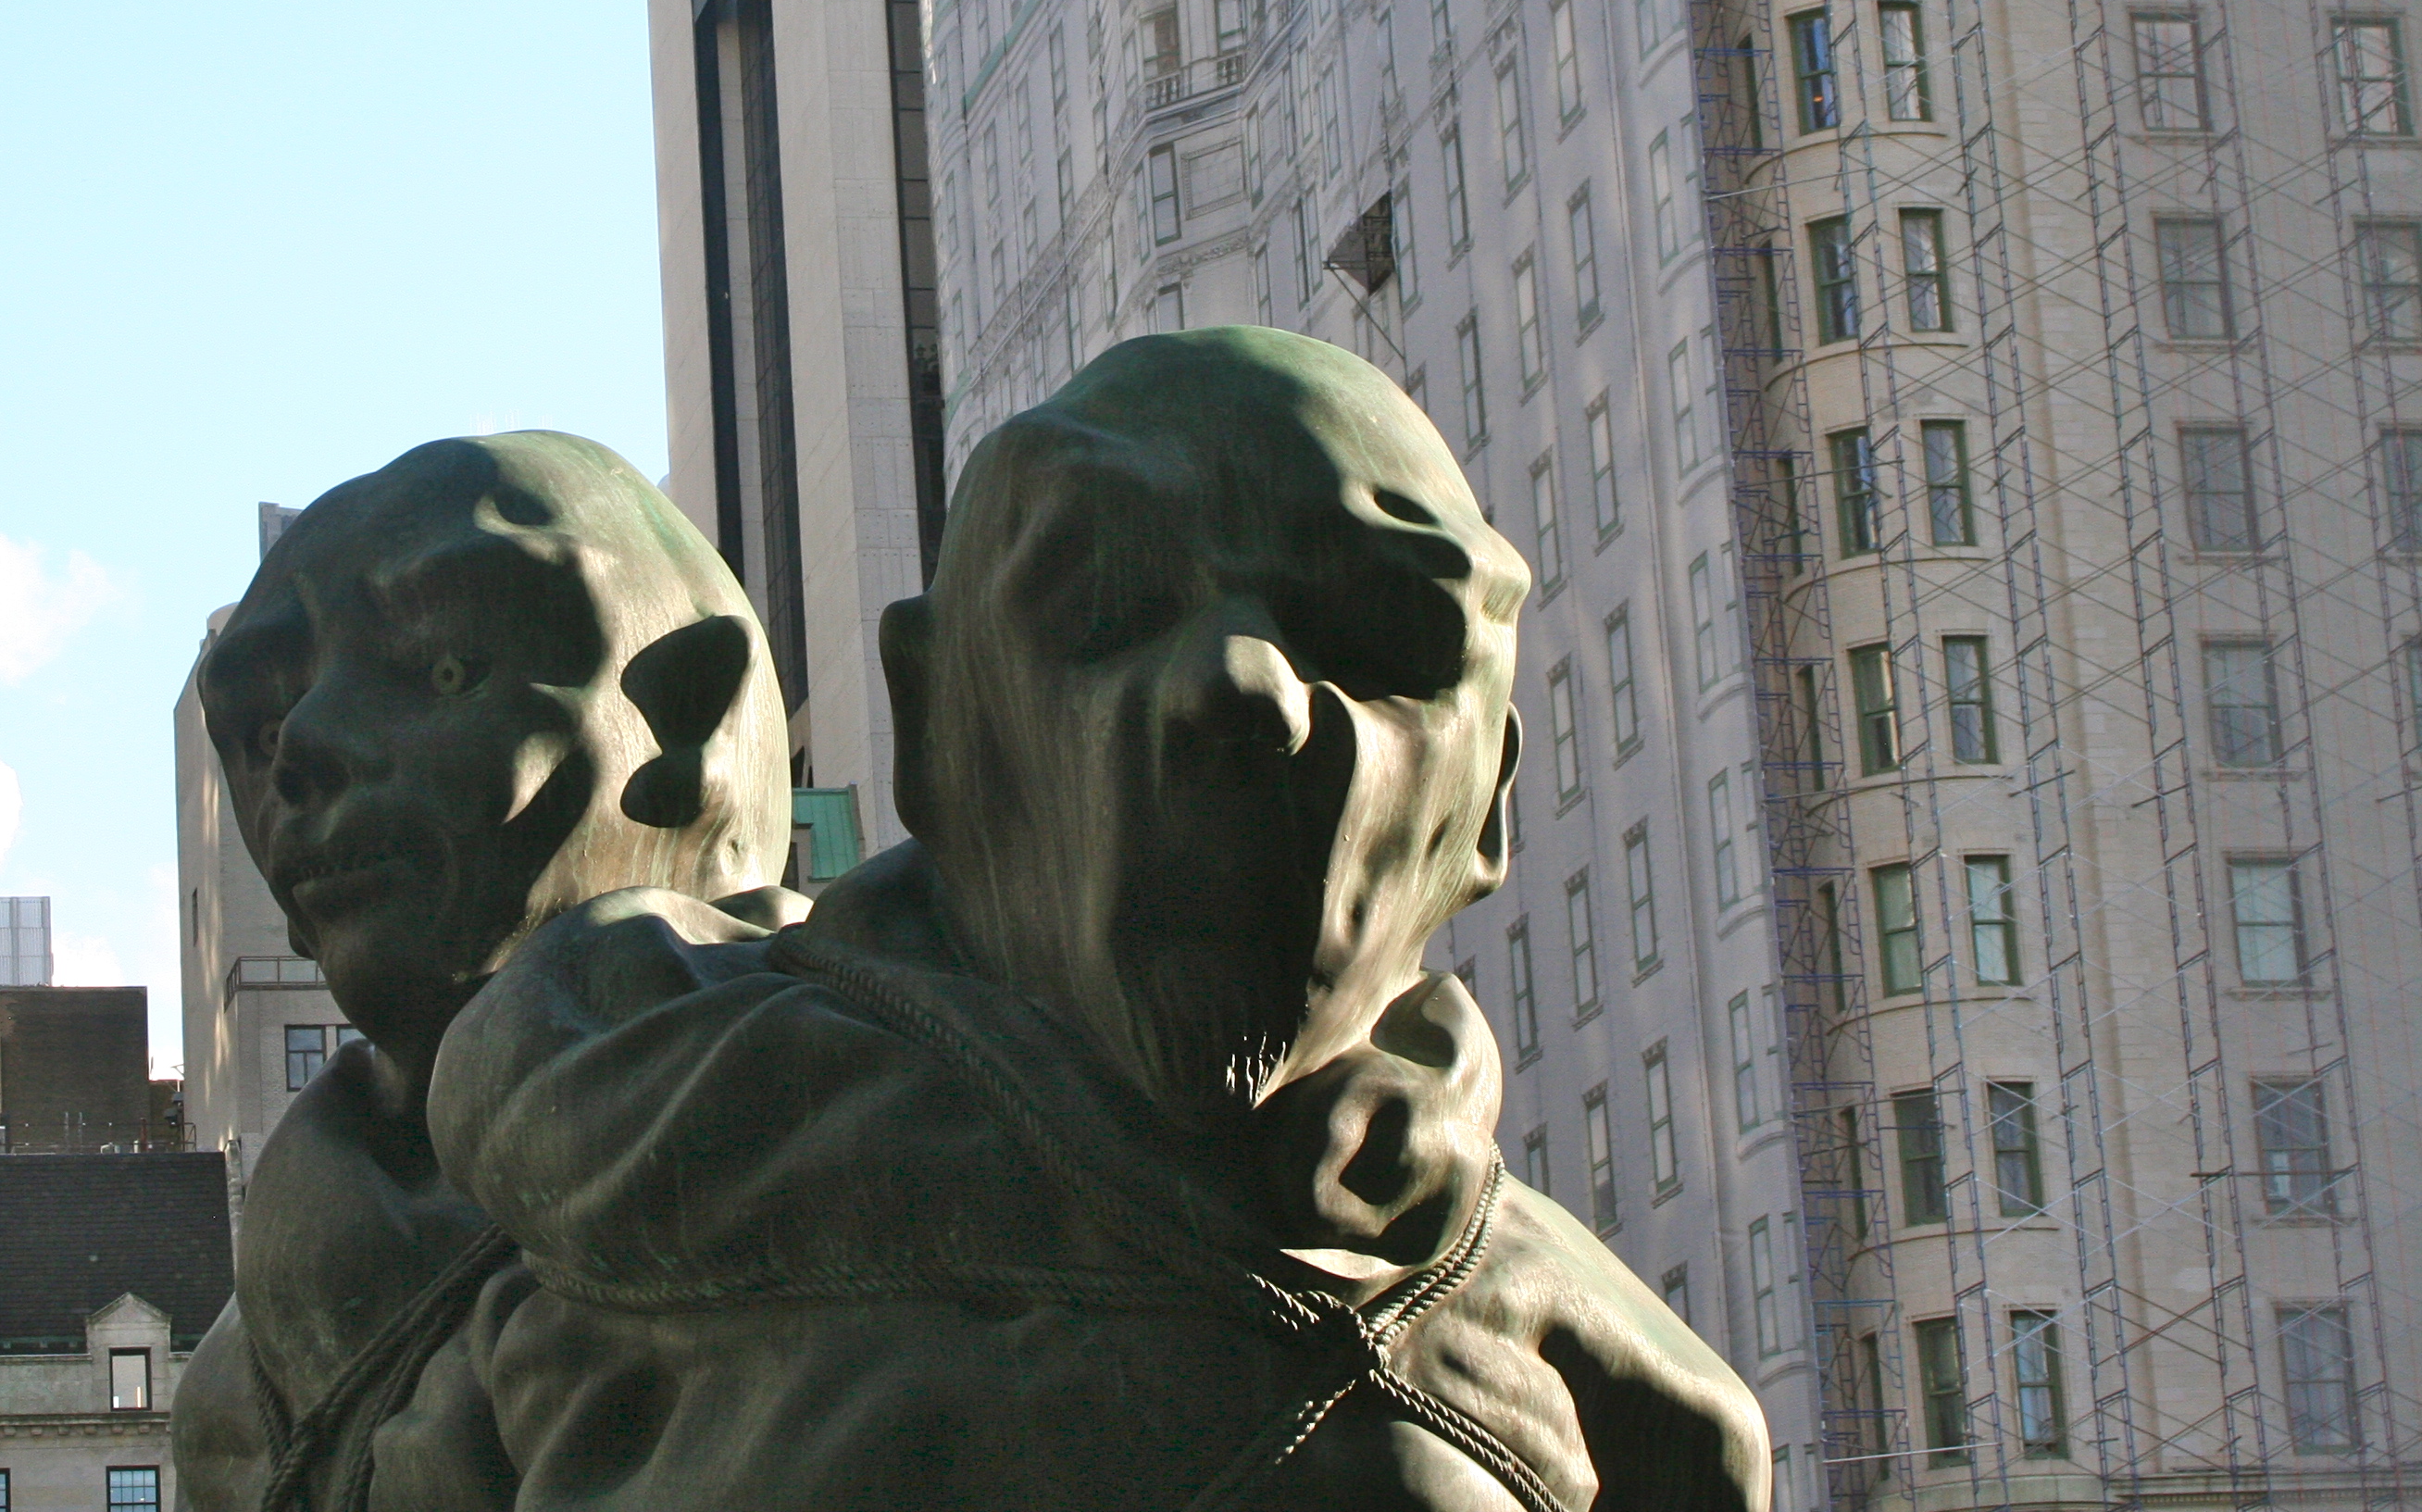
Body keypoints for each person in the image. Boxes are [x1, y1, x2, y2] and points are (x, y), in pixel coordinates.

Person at [411, 329, 1769, 1511]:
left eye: (1372, 631)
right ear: (932, 727)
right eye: (1107, 606)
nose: (1245, 687)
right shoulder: (621, 1220)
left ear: (1489, 810)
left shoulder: (1630, 1400)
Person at [164, 431, 798, 1512]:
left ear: (687, 716)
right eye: (263, 731)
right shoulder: (245, 1372)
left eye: (443, 669)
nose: (303, 749)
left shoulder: (909, 1145)